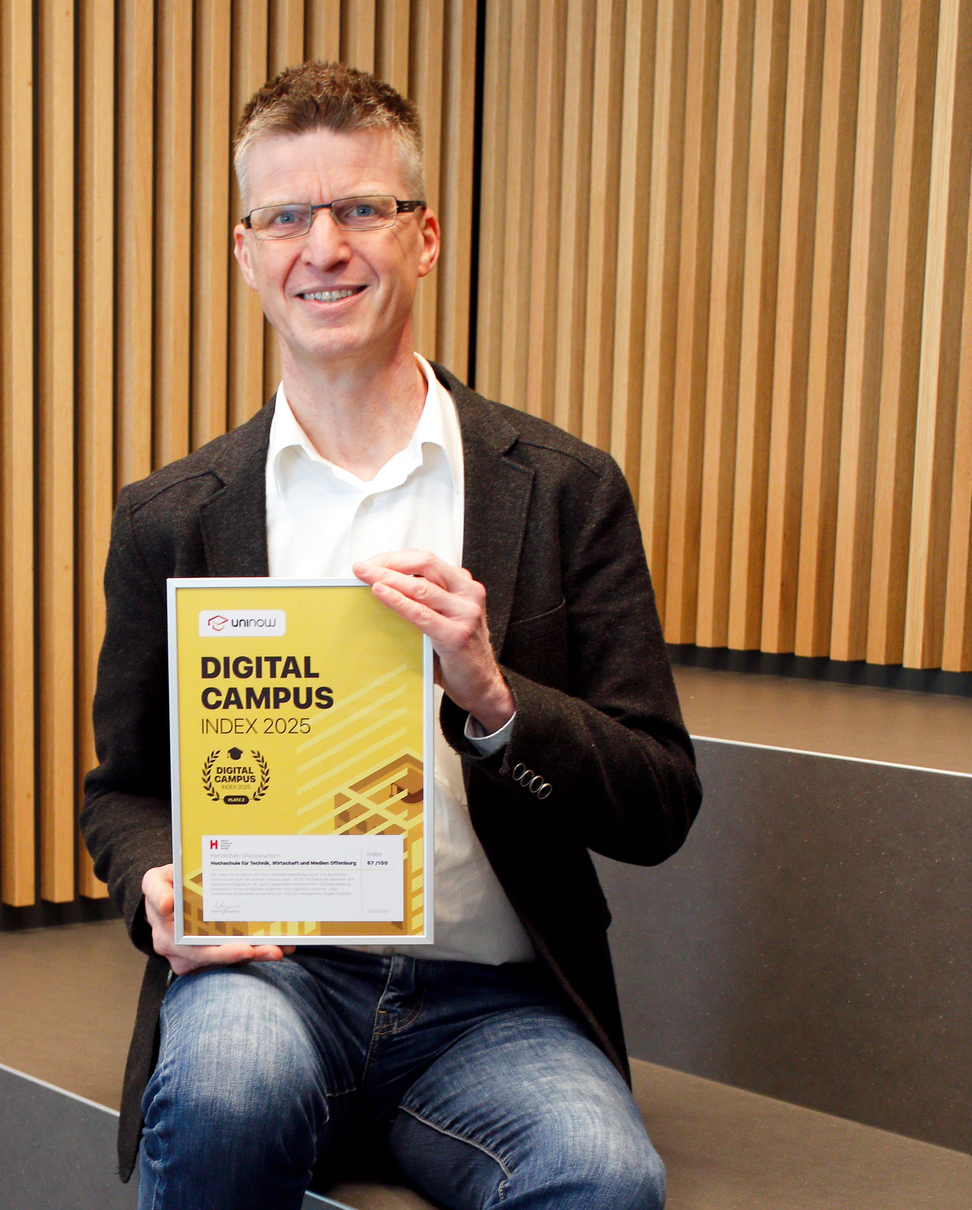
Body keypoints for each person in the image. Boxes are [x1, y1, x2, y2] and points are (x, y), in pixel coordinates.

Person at [81, 61, 702, 1210]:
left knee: (604, 1179)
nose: (324, 247)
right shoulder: (171, 515)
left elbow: (661, 802)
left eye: (361, 209)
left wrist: (495, 696)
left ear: (424, 238)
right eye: (287, 217)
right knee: (219, 1094)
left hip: (493, 1003)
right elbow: (118, 791)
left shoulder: (563, 492)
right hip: (270, 977)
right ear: (245, 251)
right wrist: (156, 883)